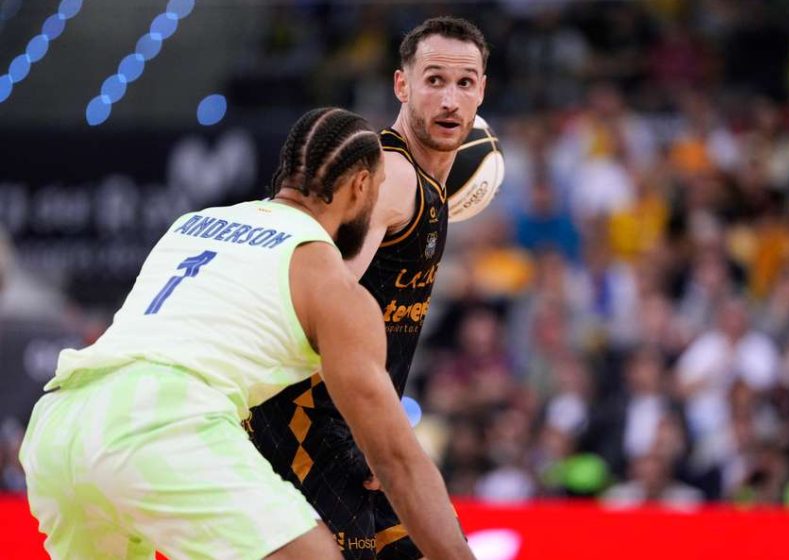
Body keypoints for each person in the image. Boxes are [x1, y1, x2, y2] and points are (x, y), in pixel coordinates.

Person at [19, 107, 475, 560]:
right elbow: (397, 464)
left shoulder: (191, 225)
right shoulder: (332, 285)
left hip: (61, 424)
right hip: (157, 420)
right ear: (360, 187)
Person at [251, 16, 488, 560]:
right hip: (317, 431)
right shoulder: (393, 176)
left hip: (349, 433)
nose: (450, 99)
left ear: (482, 93)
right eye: (434, 81)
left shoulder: (423, 183)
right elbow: (318, 302)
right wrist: (374, 433)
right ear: (402, 85)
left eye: (465, 83)